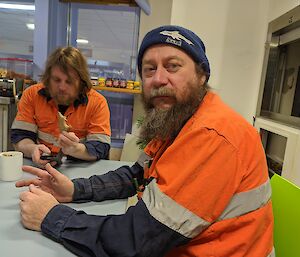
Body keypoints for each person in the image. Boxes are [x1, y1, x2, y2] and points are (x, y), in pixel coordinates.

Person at [16, 25, 274, 257]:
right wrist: (73, 190)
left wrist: (51, 216)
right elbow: (135, 176)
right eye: (149, 69)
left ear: (202, 75)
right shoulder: (177, 120)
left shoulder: (212, 134)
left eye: (172, 66)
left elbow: (137, 240)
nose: (158, 79)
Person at [11, 46, 111, 166]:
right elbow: (20, 136)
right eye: (57, 80)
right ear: (48, 79)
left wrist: (75, 149)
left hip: (80, 169)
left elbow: (100, 147)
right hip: (39, 166)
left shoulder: (97, 103)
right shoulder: (32, 95)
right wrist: (32, 149)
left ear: (81, 82)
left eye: (69, 81)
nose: (62, 88)